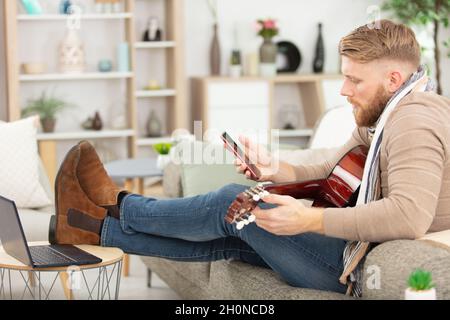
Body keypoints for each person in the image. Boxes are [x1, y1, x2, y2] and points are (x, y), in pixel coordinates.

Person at [50, 20, 450, 297]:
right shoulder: (386, 112)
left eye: (354, 79)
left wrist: (308, 219)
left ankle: (116, 205)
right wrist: (278, 168)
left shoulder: (414, 121)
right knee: (231, 234)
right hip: (354, 250)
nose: (343, 89)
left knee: (234, 202)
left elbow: (408, 215)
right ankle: (89, 228)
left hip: (357, 267)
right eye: (344, 76)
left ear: (393, 80)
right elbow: (332, 165)